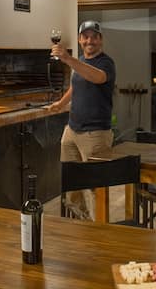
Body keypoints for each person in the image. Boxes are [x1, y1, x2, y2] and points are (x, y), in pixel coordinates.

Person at [47, 20, 116, 220]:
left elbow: (96, 78)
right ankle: (81, 227)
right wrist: (61, 103)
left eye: (94, 37)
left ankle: (99, 229)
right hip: (72, 130)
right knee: (72, 187)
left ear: (101, 40)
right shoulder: (80, 61)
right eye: (85, 37)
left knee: (96, 189)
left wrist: (68, 59)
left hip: (95, 134)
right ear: (79, 40)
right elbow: (76, 85)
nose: (89, 41)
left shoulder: (106, 63)